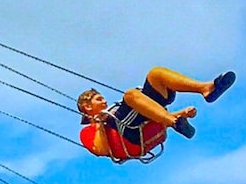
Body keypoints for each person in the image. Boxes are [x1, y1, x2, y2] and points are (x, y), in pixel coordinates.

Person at [77, 68, 235, 161]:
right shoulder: (87, 131)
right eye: (98, 99)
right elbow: (101, 149)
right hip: (128, 138)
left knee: (156, 74)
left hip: (137, 125)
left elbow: (149, 116)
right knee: (130, 95)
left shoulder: (114, 111)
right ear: (87, 107)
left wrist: (181, 113)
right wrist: (100, 124)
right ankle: (174, 122)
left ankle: (205, 88)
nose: (104, 101)